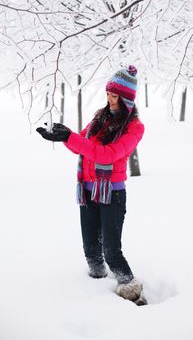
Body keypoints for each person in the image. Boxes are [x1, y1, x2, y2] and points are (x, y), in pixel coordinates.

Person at [36, 65, 145, 302]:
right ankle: (95, 296)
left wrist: (70, 137)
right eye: (108, 94)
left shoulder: (134, 127)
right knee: (91, 251)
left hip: (112, 195)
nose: (109, 99)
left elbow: (106, 154)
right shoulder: (99, 118)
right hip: (88, 191)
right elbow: (82, 145)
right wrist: (62, 136)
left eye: (114, 95)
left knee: (111, 252)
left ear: (126, 99)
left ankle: (132, 292)